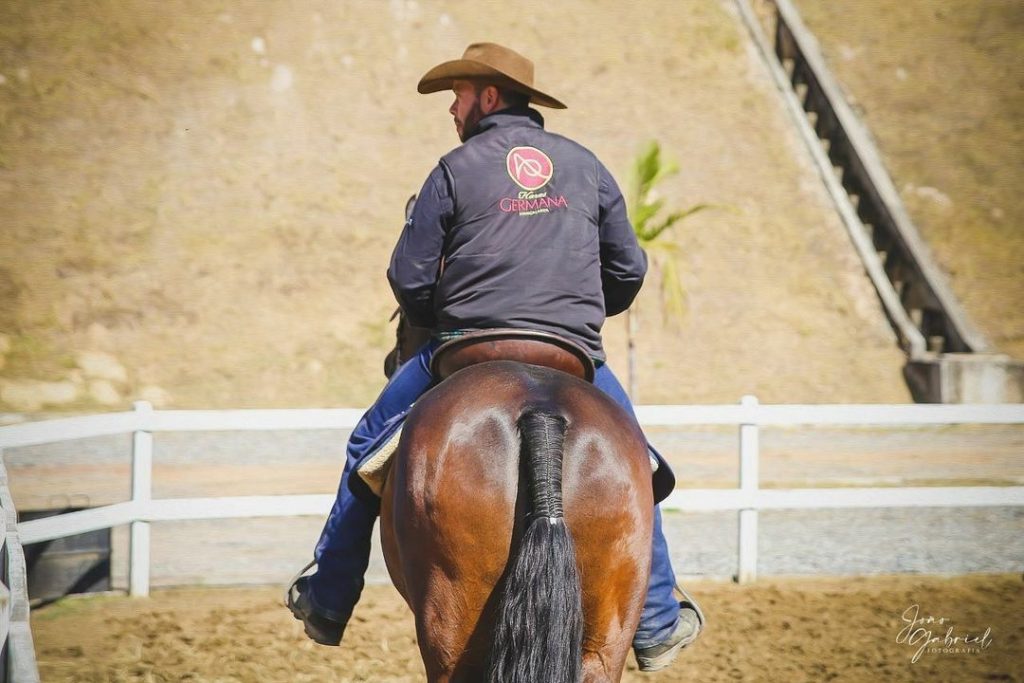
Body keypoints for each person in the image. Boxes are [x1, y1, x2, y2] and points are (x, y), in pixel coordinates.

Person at [287, 42, 703, 672]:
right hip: (573, 355)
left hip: (464, 352)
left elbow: (409, 277)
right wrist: (575, 315)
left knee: (365, 445)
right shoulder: (587, 167)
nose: (452, 109)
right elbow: (628, 271)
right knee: (637, 461)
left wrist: (446, 312)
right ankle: (656, 620)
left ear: (488, 96)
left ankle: (329, 594)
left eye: (457, 94)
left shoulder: (455, 169)